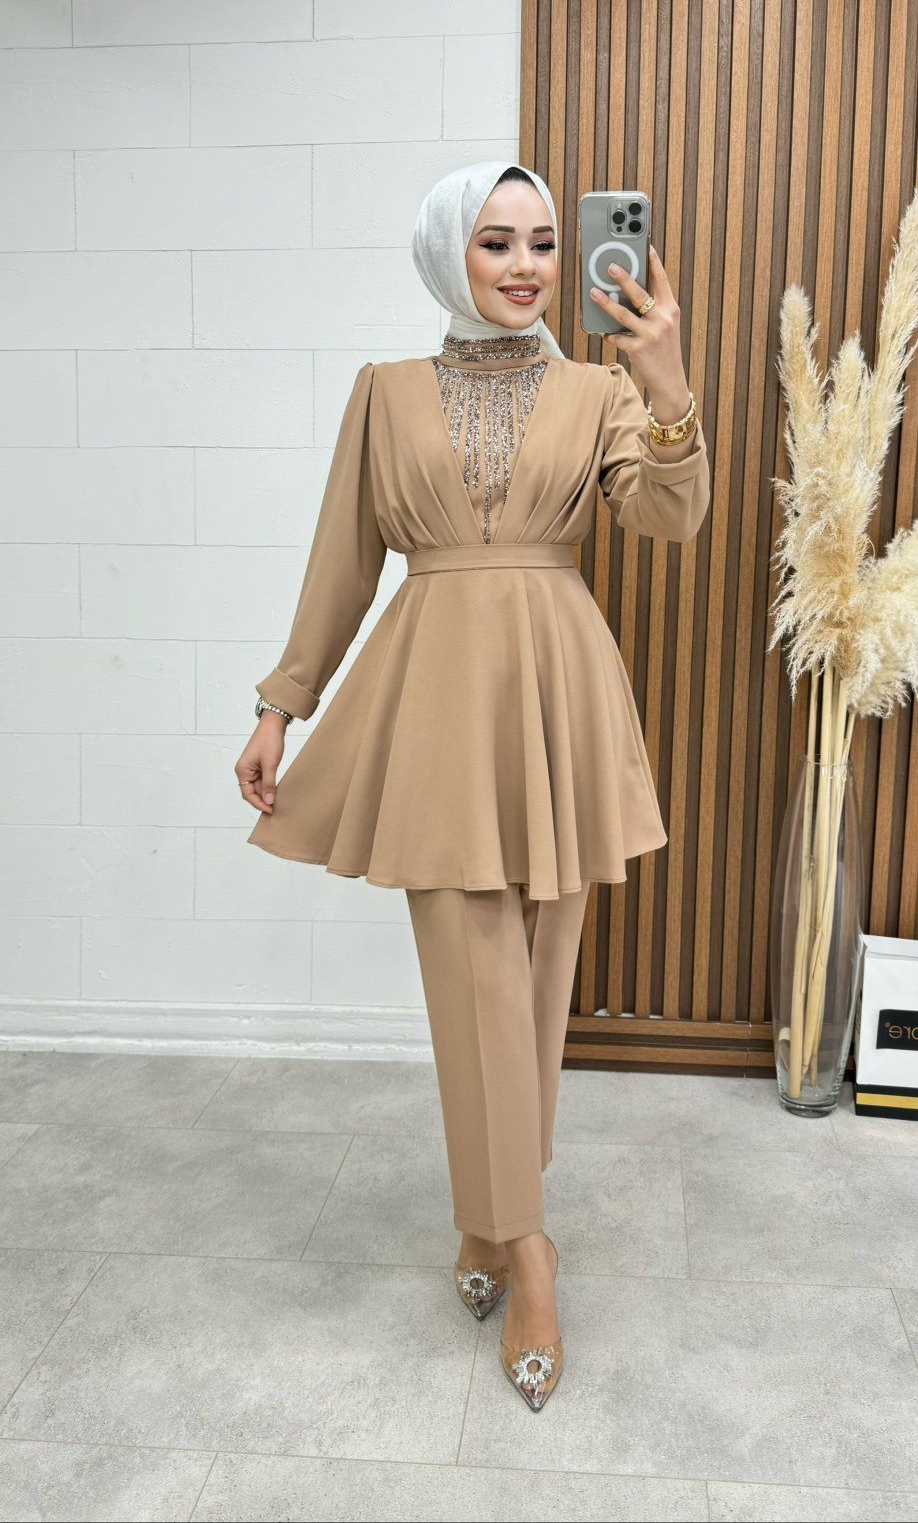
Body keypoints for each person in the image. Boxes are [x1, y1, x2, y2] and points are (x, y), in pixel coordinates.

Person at [235, 160, 710, 1409]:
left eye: (544, 241)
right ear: (448, 251)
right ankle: (528, 1245)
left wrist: (667, 391)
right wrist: (282, 702)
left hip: (558, 693)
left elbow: (668, 518)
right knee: (475, 974)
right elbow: (343, 561)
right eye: (495, 241)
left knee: (537, 985)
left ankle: (486, 1214)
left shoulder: (601, 390)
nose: (525, 265)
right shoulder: (385, 393)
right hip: (436, 698)